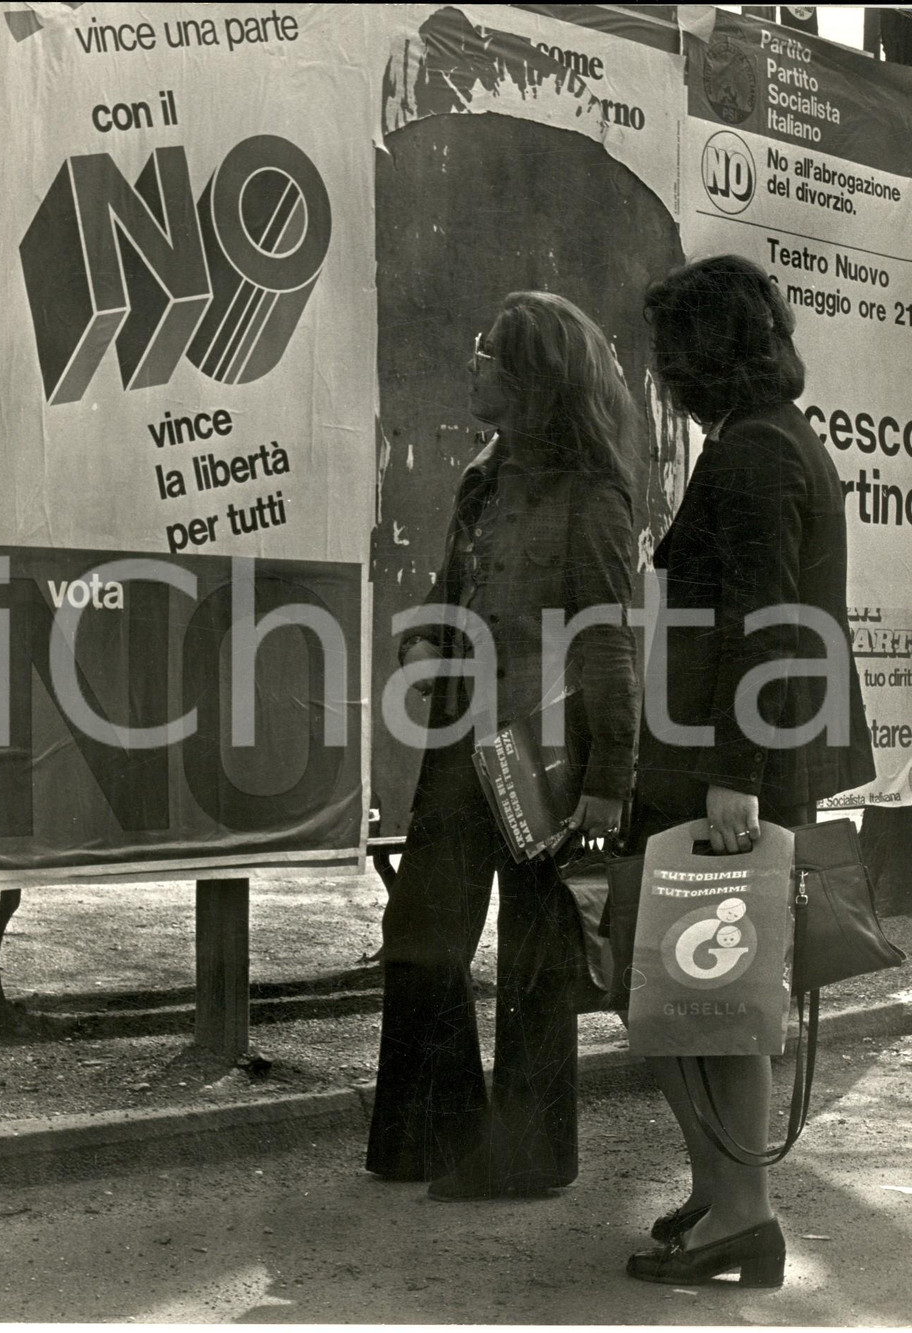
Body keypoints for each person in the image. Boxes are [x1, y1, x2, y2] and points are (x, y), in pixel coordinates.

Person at [625, 255, 875, 1285]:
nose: (660, 370)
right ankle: (725, 1191)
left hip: (726, 764)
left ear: (699, 355)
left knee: (699, 986)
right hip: (738, 754)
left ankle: (741, 1206)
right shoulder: (775, 441)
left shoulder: (755, 455)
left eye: (669, 350)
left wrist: (734, 774)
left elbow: (760, 622)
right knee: (706, 983)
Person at [366, 291, 640, 1199]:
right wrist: (426, 636)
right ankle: (435, 1136)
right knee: (418, 930)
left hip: (545, 753)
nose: (471, 363)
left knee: (535, 955)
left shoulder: (592, 492)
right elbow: (454, 590)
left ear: (530, 380)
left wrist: (610, 782)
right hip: (461, 741)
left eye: (487, 353)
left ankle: (530, 1156)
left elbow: (608, 639)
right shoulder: (482, 475)